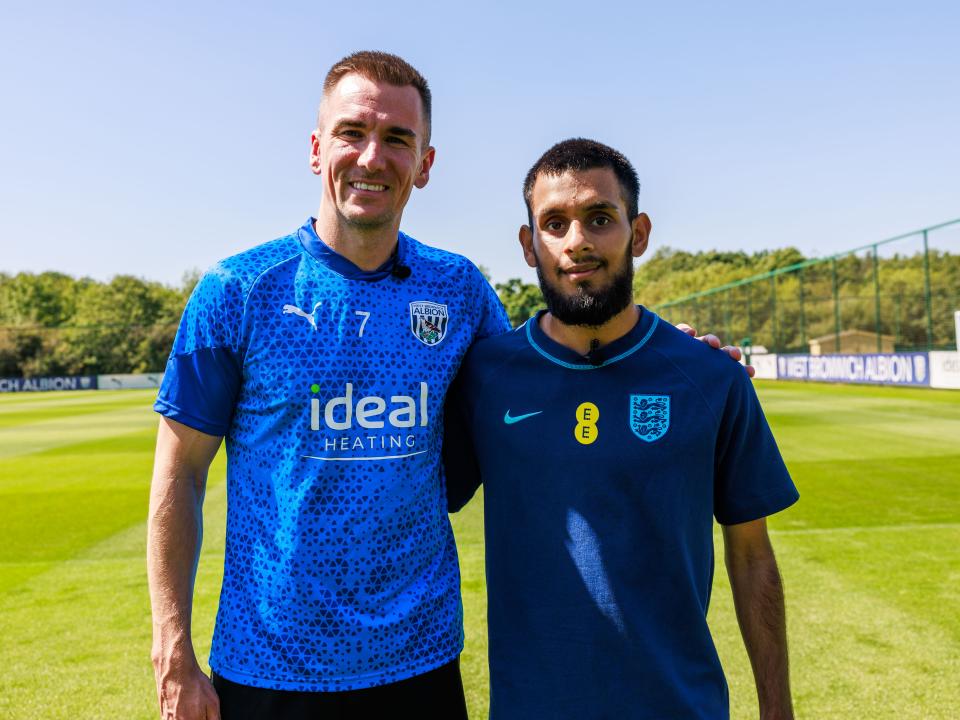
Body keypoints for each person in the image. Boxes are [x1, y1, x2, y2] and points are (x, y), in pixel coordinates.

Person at [147, 51, 748, 719]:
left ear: (425, 165)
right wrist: (173, 651)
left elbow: (549, 373)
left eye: (398, 139)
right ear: (318, 149)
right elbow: (179, 474)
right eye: (353, 133)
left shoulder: (458, 291)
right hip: (269, 668)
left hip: (421, 667)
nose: (373, 157)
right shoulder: (237, 292)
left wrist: (679, 358)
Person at [444, 138, 799, 719]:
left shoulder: (711, 378)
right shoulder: (485, 376)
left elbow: (753, 556)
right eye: (553, 223)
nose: (576, 240)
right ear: (529, 246)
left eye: (599, 218)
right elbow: (413, 505)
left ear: (638, 234)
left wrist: (778, 711)